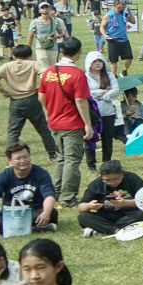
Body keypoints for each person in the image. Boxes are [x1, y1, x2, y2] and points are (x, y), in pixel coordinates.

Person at [35, 43, 93, 204]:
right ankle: (67, 197)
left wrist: (52, 111)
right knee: (72, 160)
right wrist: (88, 124)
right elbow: (80, 100)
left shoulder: (49, 71)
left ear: (61, 51)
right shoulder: (77, 74)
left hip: (54, 121)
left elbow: (41, 97)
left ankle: (55, 192)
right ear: (79, 51)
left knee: (61, 158)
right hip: (72, 123)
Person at [0, 145, 58, 233]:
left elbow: (49, 195)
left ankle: (12, 228)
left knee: (52, 213)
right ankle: (34, 229)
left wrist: (46, 213)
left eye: (25, 157)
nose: (23, 161)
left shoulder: (41, 173)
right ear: (10, 161)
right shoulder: (4, 176)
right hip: (12, 213)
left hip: (35, 211)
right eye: (18, 158)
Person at [72, 160, 143, 238]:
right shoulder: (97, 184)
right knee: (83, 217)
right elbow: (81, 207)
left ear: (122, 174)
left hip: (128, 214)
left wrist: (125, 203)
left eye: (116, 179)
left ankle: (105, 229)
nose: (112, 182)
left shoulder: (133, 179)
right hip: (106, 215)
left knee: (140, 214)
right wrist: (89, 206)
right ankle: (116, 230)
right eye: (107, 181)